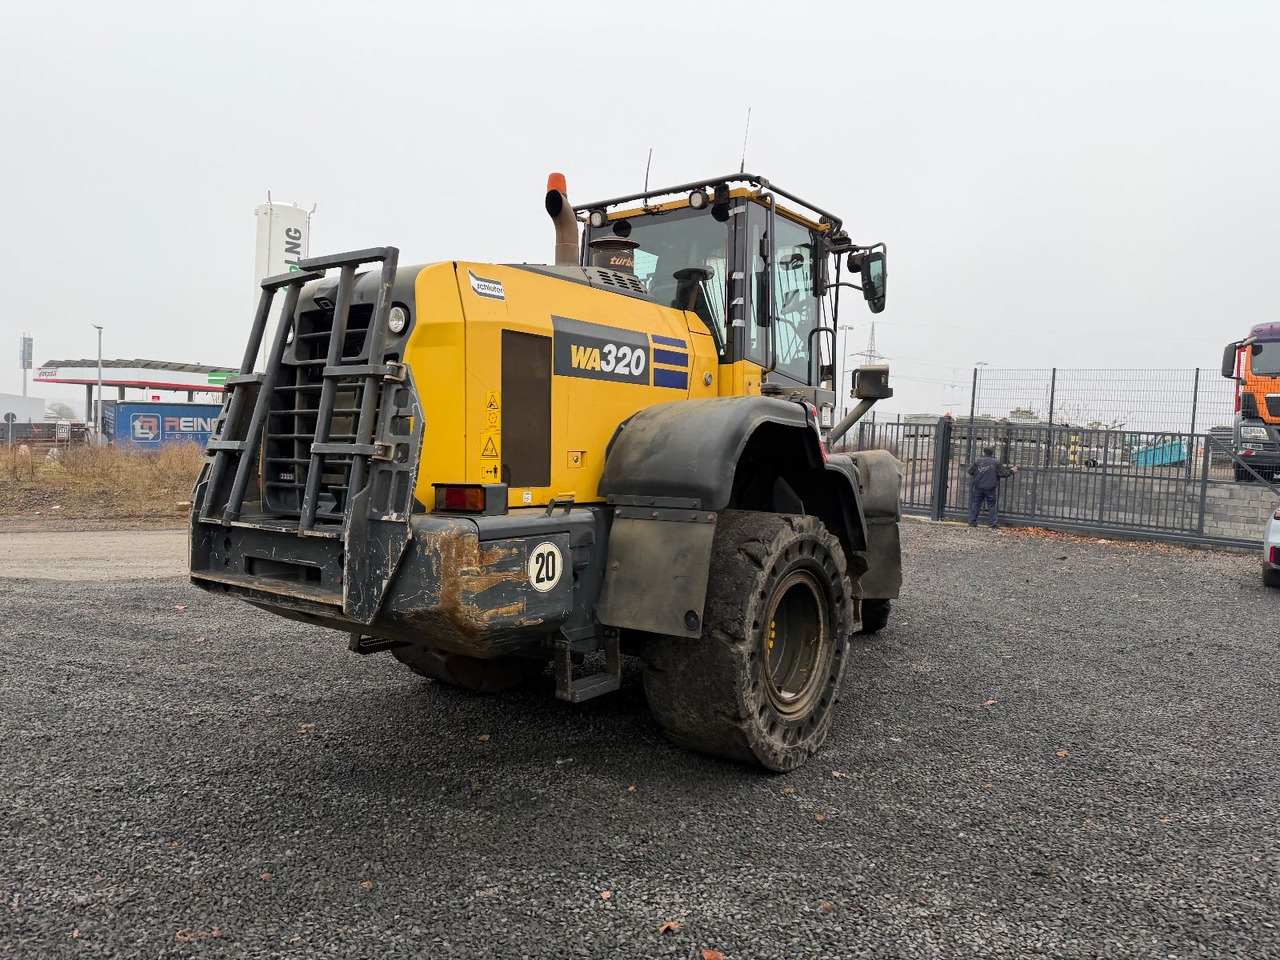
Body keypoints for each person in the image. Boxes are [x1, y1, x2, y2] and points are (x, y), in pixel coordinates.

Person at [968, 445, 1017, 528]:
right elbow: (1003, 474)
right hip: (990, 488)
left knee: (976, 504)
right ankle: (992, 523)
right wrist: (1011, 471)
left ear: (984, 452)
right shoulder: (995, 462)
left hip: (978, 487)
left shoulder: (978, 461)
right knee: (992, 505)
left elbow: (970, 471)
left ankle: (972, 522)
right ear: (992, 453)